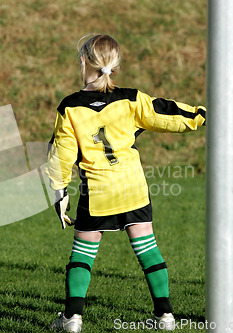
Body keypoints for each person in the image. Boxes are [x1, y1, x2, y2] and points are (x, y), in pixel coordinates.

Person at [45, 34, 206, 332]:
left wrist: (59, 192)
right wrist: (205, 116)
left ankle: (72, 319)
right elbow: (167, 113)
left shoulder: (70, 107)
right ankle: (166, 316)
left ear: (83, 61)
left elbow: (60, 154)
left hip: (98, 192)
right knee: (148, 249)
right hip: (132, 188)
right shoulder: (131, 99)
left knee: (83, 253)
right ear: (115, 67)